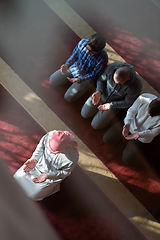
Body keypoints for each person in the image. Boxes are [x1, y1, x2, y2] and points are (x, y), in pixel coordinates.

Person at [14, 130, 79, 201]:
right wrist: (34, 159)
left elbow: (65, 173)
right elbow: (40, 149)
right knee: (16, 178)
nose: (50, 151)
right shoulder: (49, 135)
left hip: (49, 177)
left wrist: (48, 175)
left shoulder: (72, 156)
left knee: (33, 194)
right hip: (36, 166)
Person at [103, 93, 160, 168]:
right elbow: (132, 111)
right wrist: (127, 123)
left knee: (127, 159)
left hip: (142, 136)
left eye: (152, 115)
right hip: (130, 125)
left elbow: (153, 132)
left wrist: (139, 135)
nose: (148, 115)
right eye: (148, 111)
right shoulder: (145, 97)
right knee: (106, 139)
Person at [81, 61, 142, 129]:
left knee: (95, 125)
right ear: (116, 70)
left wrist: (112, 105)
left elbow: (128, 102)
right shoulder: (112, 67)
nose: (115, 83)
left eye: (119, 83)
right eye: (114, 80)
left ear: (128, 79)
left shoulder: (136, 86)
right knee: (84, 114)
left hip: (114, 103)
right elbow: (101, 79)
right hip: (102, 93)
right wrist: (98, 91)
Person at [49, 34, 108, 102]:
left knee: (68, 98)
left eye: (92, 52)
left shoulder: (103, 59)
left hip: (85, 78)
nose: (88, 52)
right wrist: (67, 65)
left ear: (99, 51)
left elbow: (94, 75)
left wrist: (80, 79)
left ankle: (82, 87)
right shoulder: (83, 42)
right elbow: (74, 55)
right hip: (75, 68)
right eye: (87, 48)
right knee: (52, 80)